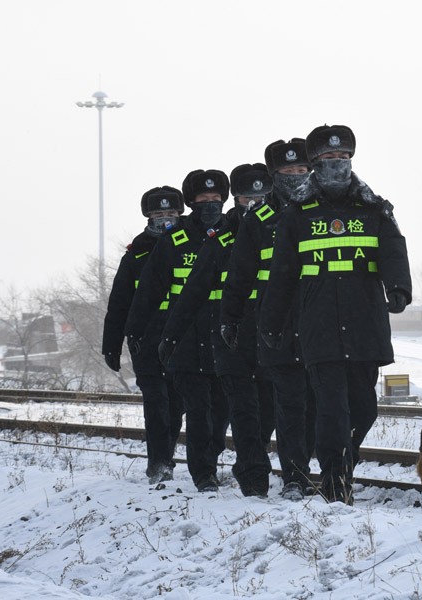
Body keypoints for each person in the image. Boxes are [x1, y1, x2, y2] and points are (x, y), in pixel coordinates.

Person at [259, 125, 412, 503]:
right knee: (330, 409)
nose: (337, 166)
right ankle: (334, 478)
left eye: (343, 158)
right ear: (315, 164)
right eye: (329, 159)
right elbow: (281, 274)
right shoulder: (298, 214)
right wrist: (272, 323)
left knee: (364, 408)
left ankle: (344, 459)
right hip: (319, 328)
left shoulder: (374, 208)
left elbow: (394, 250)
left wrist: (398, 289)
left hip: (365, 325)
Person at [161, 164, 274, 498]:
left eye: (260, 197)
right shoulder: (220, 238)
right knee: (226, 413)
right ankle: (233, 473)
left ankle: (251, 463)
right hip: (224, 340)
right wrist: (169, 336)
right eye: (246, 197)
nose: (253, 204)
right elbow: (192, 289)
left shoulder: (280, 229)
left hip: (268, 338)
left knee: (262, 411)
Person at [220, 138, 317, 501]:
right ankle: (293, 476)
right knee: (288, 404)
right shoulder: (258, 220)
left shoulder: (319, 209)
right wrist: (230, 317)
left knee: (318, 404)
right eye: (287, 171)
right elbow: (240, 274)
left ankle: (309, 465)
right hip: (272, 324)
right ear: (273, 175)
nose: (296, 176)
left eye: (301, 169)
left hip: (317, 321)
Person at [124, 169, 232, 493]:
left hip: (226, 342)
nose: (210, 205)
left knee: (221, 412)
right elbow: (149, 292)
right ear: (191, 202)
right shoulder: (175, 241)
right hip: (185, 342)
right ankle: (204, 474)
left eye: (216, 199)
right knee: (198, 411)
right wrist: (136, 332)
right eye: (203, 199)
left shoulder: (235, 235)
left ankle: (210, 458)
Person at [101, 186, 185, 484]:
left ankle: (167, 457)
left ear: (181, 214)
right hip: (144, 340)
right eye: (159, 214)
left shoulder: (191, 247)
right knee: (156, 402)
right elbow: (119, 303)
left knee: (176, 405)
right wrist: (111, 345)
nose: (165, 220)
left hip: (183, 339)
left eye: (171, 214)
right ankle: (158, 464)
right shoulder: (136, 254)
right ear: (148, 217)